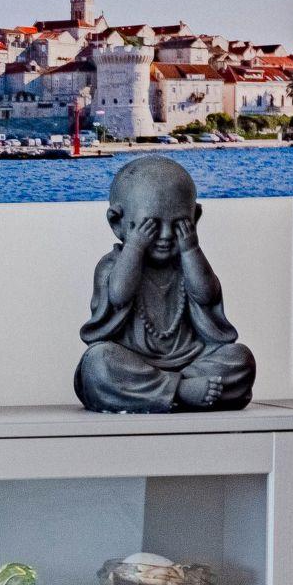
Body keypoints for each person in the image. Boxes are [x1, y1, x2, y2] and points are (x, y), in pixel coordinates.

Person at [75, 156, 255, 413]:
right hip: (132, 364)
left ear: (195, 217)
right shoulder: (111, 266)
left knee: (240, 359)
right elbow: (118, 296)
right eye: (151, 226)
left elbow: (206, 295)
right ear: (117, 222)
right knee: (98, 364)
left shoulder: (189, 264)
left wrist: (190, 249)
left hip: (191, 362)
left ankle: (174, 389)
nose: (167, 235)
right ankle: (181, 391)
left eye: (180, 224)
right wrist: (135, 247)